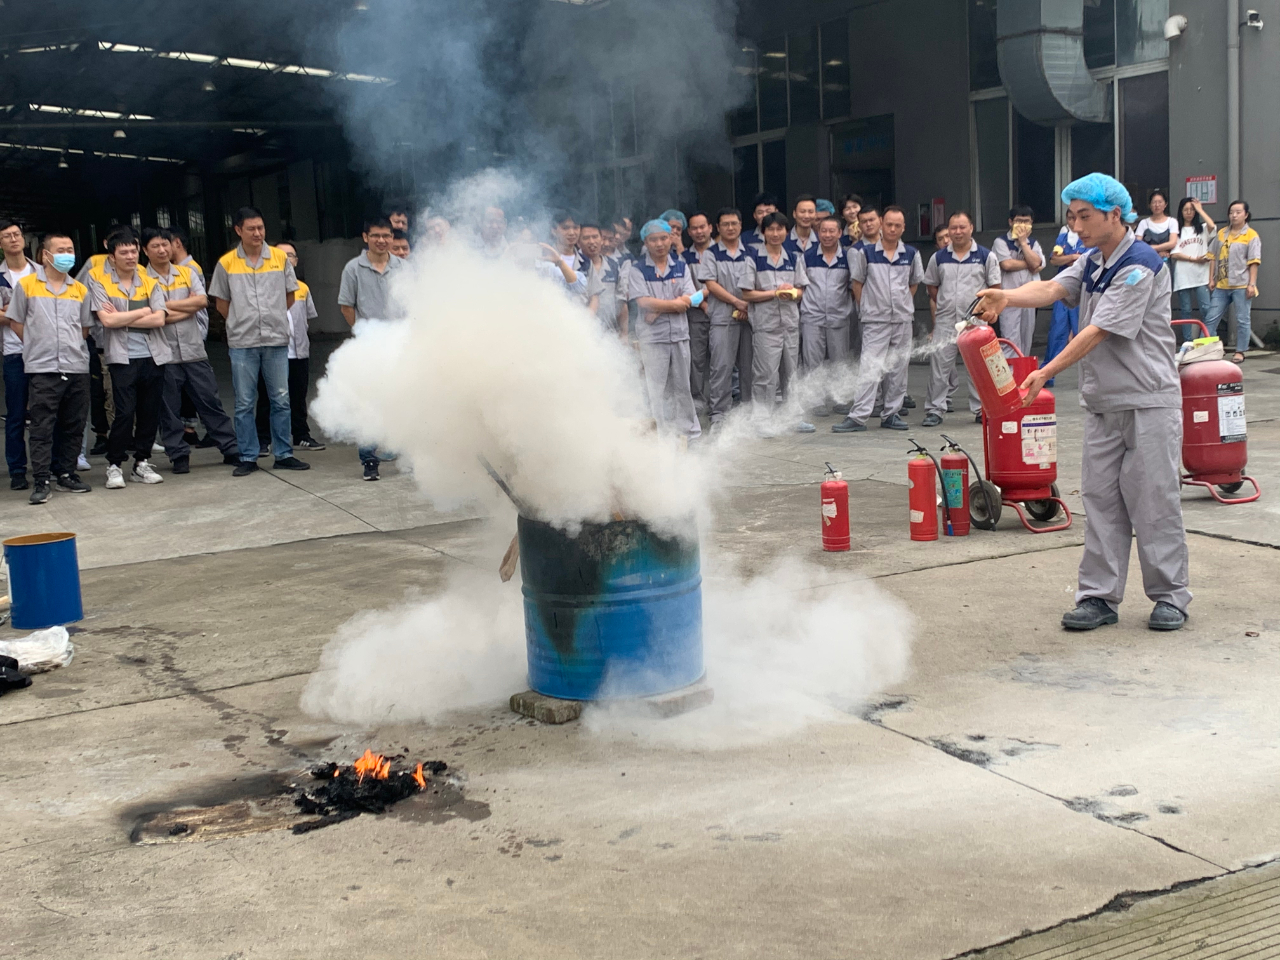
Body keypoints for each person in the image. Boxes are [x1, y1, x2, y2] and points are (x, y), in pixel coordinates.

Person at [974, 172, 1189, 632]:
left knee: (1154, 501)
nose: (1076, 225)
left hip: (1148, 400)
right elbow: (1053, 288)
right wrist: (1006, 296)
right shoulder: (1092, 261)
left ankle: (1170, 596)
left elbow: (1097, 330)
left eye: (1084, 216)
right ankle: (1098, 597)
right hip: (1104, 402)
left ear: (1115, 214)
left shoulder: (1141, 264)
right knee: (1101, 500)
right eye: (1071, 216)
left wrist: (1045, 371)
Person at [208, 205, 308, 476]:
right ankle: (248, 456)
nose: (257, 233)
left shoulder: (279, 258)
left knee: (281, 399)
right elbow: (221, 303)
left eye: (261, 228)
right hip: (243, 343)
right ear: (238, 230)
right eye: (251, 229)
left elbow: (290, 295)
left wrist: (273, 317)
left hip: (276, 340)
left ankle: (284, 454)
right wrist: (241, 320)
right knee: (244, 402)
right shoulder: (227, 263)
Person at [142, 228, 239, 474]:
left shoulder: (187, 273)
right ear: (145, 250)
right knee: (169, 409)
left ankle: (230, 447)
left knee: (210, 401)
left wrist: (164, 307)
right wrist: (184, 308)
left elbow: (202, 301)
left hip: (194, 349)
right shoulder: (141, 279)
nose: (162, 250)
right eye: (155, 246)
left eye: (165, 245)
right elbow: (152, 315)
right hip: (164, 353)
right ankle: (178, 455)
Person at [6, 233, 95, 504]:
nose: (67, 254)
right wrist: (37, 345)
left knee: (74, 424)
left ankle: (66, 473)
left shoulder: (80, 290)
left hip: (76, 366)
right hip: (43, 368)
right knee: (42, 426)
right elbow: (16, 322)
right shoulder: (27, 286)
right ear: (46, 255)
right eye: (61, 250)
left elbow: (84, 329)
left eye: (70, 249)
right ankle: (42, 479)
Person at [87, 231, 172, 489]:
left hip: (153, 355)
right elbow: (107, 321)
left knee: (149, 412)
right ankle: (114, 464)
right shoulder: (100, 282)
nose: (130, 256)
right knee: (124, 412)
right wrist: (144, 310)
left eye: (133, 251)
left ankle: (141, 462)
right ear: (112, 257)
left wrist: (125, 316)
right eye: (123, 252)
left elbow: (159, 318)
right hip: (121, 358)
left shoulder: (149, 281)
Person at [835, 205, 923, 433]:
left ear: (903, 228)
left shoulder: (911, 254)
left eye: (897, 226)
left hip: (902, 320)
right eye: (889, 224)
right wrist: (867, 309)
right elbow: (858, 284)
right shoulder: (866, 253)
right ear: (882, 224)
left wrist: (902, 305)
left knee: (898, 368)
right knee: (870, 367)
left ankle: (891, 414)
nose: (892, 229)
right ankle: (858, 416)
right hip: (875, 320)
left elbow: (913, 284)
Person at [338, 217, 405, 480]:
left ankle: (405, 454)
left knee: (403, 399)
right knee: (368, 402)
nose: (381, 240)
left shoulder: (404, 268)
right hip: (368, 345)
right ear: (365, 237)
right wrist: (362, 331)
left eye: (386, 235)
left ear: (392, 237)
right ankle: (369, 459)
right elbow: (346, 306)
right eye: (375, 235)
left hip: (400, 344)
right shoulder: (353, 269)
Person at [921, 211, 1000, 427]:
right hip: (946, 321)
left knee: (978, 368)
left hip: (975, 322)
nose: (957, 232)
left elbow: (995, 289)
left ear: (971, 228)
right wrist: (946, 303)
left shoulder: (985, 256)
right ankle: (935, 410)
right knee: (939, 368)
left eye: (962, 227)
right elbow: (932, 286)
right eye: (953, 228)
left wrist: (984, 312)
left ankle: (981, 409)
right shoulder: (938, 258)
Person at [626, 219, 700, 440]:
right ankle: (658, 432)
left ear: (671, 239)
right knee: (655, 387)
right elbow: (643, 302)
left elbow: (692, 297)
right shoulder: (638, 269)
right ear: (645, 242)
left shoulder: (680, 266)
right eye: (653, 240)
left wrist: (659, 309)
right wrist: (675, 304)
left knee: (682, 386)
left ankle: (689, 432)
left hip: (679, 335)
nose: (659, 244)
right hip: (653, 337)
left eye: (663, 238)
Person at [743, 211, 813, 434]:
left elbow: (801, 291)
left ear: (786, 231)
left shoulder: (793, 257)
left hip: (789, 325)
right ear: (763, 232)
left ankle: (793, 418)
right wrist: (774, 293)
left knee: (791, 372)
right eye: (770, 229)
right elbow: (747, 293)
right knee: (765, 375)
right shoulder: (753, 258)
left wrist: (790, 291)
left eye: (779, 229)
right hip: (765, 326)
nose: (775, 233)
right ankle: (762, 421)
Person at [698, 207, 755, 433]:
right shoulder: (711, 254)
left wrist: (747, 305)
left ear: (741, 225)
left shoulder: (751, 252)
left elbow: (757, 282)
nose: (730, 228)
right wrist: (736, 302)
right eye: (725, 224)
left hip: (749, 317)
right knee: (721, 366)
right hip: (722, 317)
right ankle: (719, 414)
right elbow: (710, 284)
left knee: (749, 366)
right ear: (718, 228)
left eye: (734, 223)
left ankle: (748, 413)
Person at [799, 215, 854, 416]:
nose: (828, 235)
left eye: (832, 231)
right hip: (812, 317)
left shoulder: (848, 257)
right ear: (818, 232)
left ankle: (841, 400)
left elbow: (852, 287)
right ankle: (815, 401)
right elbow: (800, 286)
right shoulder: (807, 257)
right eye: (824, 231)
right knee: (812, 362)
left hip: (839, 318)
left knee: (840, 361)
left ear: (840, 233)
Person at [0, 220, 38, 489]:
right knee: (15, 414)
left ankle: (50, 466)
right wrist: (29, 312)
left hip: (44, 351)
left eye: (16, 234)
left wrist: (9, 311)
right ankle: (16, 470)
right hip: (14, 352)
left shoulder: (41, 272)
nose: (13, 239)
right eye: (7, 236)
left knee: (46, 413)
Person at [276, 242, 323, 451]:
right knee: (272, 398)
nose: (287, 259)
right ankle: (266, 439)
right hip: (275, 352)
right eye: (282, 255)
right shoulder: (266, 287)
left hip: (299, 351)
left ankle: (301, 435)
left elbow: (307, 317)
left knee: (298, 396)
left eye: (291, 256)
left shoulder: (302, 288)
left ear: (296, 261)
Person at [1205, 200, 1261, 363]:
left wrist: (1252, 284)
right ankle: (1209, 349)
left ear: (1246, 215)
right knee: (1211, 317)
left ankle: (1241, 351)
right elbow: (1212, 256)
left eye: (1238, 212)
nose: (1234, 215)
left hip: (1241, 284)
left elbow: (1254, 262)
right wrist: (1211, 278)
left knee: (1242, 319)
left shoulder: (1251, 235)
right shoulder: (1222, 233)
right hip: (1222, 285)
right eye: (1231, 212)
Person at [991, 205, 1044, 356]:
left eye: (1026, 222)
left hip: (1029, 298)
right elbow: (1007, 265)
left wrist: (1023, 243)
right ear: (1010, 222)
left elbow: (1037, 264)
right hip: (1008, 298)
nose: (1022, 226)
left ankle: (1023, 369)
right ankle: (1010, 370)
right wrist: (1030, 264)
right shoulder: (1000, 242)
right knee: (1010, 340)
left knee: (1026, 339)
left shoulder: (1033, 243)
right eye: (1019, 221)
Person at [1045, 208, 1088, 374]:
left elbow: (1086, 260)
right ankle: (1048, 373)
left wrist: (1066, 259)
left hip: (1081, 288)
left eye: (1076, 217)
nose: (1073, 221)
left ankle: (1088, 373)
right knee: (1058, 329)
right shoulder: (1062, 237)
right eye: (1070, 218)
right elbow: (1054, 260)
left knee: (1082, 331)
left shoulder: (1087, 237)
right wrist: (1073, 257)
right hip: (1062, 287)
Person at [1169, 197, 1217, 341]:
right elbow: (1174, 254)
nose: (1189, 212)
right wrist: (1194, 259)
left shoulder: (1202, 229)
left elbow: (1212, 226)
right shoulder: (1176, 231)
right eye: (1186, 210)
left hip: (1201, 275)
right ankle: (1188, 341)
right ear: (1181, 212)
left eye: (1192, 210)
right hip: (1183, 275)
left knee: (1206, 308)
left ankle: (1208, 339)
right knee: (1186, 310)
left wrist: (1200, 209)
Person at [682, 211, 714, 407]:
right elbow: (684, 288)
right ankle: (698, 401)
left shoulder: (720, 253)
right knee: (697, 360)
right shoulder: (683, 257)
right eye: (694, 228)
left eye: (702, 227)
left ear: (710, 228)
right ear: (689, 232)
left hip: (721, 313)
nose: (699, 231)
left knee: (723, 360)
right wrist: (702, 304)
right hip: (695, 315)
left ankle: (722, 400)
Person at [1135, 189, 1177, 260]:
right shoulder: (1144, 223)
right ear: (1149, 205)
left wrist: (1151, 248)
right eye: (1154, 202)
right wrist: (1160, 251)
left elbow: (1172, 243)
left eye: (1160, 202)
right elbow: (1138, 245)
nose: (1157, 205)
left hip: (1166, 260)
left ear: (1165, 204)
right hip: (1147, 260)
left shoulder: (1172, 222)